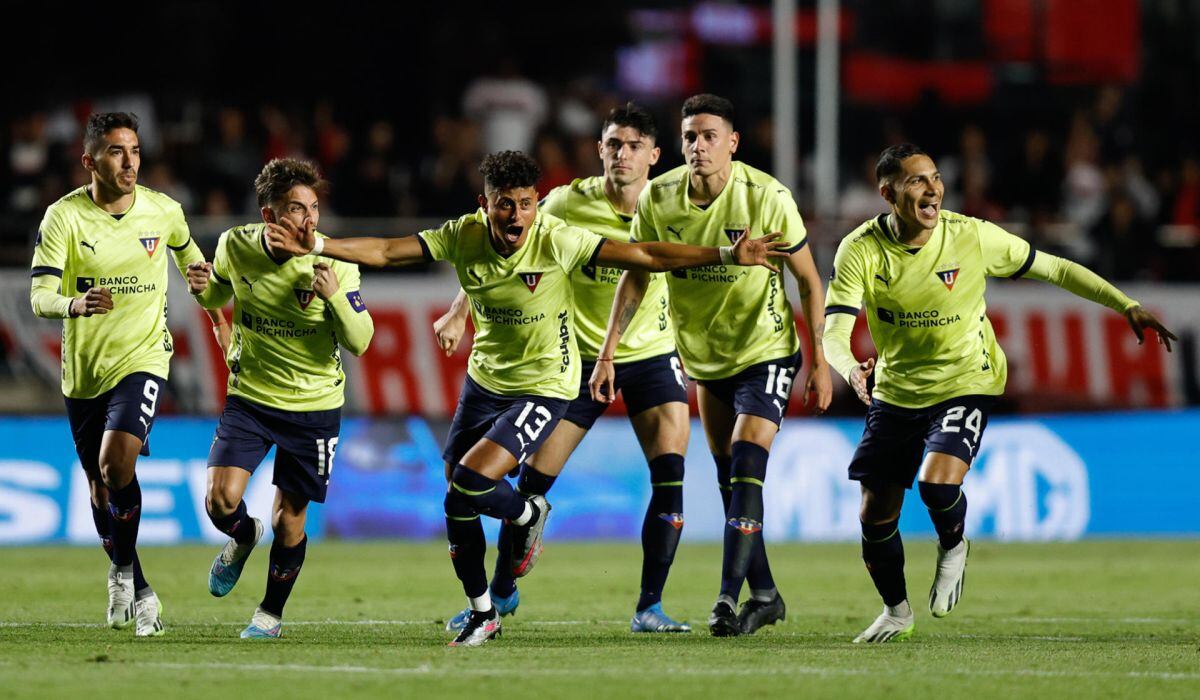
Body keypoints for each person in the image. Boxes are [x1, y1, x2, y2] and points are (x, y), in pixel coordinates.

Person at [265, 150, 787, 647]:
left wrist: (725, 253)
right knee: (455, 496)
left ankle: (525, 518)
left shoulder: (556, 237)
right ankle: (483, 611)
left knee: (471, 482)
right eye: (505, 204)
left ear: (537, 203)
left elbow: (646, 254)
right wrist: (316, 245)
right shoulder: (463, 236)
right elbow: (384, 251)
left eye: (526, 203)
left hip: (546, 383)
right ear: (484, 204)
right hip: (485, 381)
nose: (517, 215)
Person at [821, 143, 1176, 644]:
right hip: (898, 391)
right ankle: (897, 611)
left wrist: (1125, 304)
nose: (932, 188)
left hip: (968, 379)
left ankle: (954, 543)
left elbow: (1054, 268)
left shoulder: (970, 236)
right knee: (874, 516)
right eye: (916, 181)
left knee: (937, 486)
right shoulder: (860, 249)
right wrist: (851, 371)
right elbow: (834, 331)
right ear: (887, 192)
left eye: (935, 177)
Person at [434, 103, 693, 633]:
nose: (622, 155)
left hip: (650, 355)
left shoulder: (675, 203)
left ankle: (649, 607)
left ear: (655, 155)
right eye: (613, 144)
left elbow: (680, 264)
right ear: (599, 150)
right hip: (574, 360)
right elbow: (506, 247)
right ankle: (502, 592)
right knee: (531, 487)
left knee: (670, 476)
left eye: (634, 145)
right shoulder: (566, 202)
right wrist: (461, 309)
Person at [591, 94, 832, 637]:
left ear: (733, 143)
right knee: (730, 480)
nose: (698, 147)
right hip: (705, 359)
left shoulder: (766, 196)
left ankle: (725, 598)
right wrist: (608, 350)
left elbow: (810, 280)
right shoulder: (660, 197)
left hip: (766, 350)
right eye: (689, 137)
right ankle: (765, 595)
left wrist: (819, 362)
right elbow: (638, 271)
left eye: (708, 136)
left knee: (748, 459)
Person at [29, 112, 222, 637]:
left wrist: (214, 307)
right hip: (84, 371)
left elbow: (198, 273)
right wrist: (75, 303)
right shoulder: (62, 218)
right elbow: (39, 296)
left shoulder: (164, 212)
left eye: (135, 150)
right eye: (117, 151)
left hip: (143, 358)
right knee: (98, 487)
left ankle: (119, 570)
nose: (130, 161)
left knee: (116, 465)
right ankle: (138, 586)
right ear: (90, 160)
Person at [193, 158, 374, 639]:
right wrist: (207, 291)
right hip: (250, 396)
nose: (309, 219)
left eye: (314, 208)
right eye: (296, 209)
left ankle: (269, 615)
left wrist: (335, 297)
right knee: (218, 500)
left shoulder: (332, 261)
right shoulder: (235, 244)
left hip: (313, 407)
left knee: (289, 521)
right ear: (269, 215)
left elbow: (360, 341)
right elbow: (218, 291)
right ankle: (243, 535)